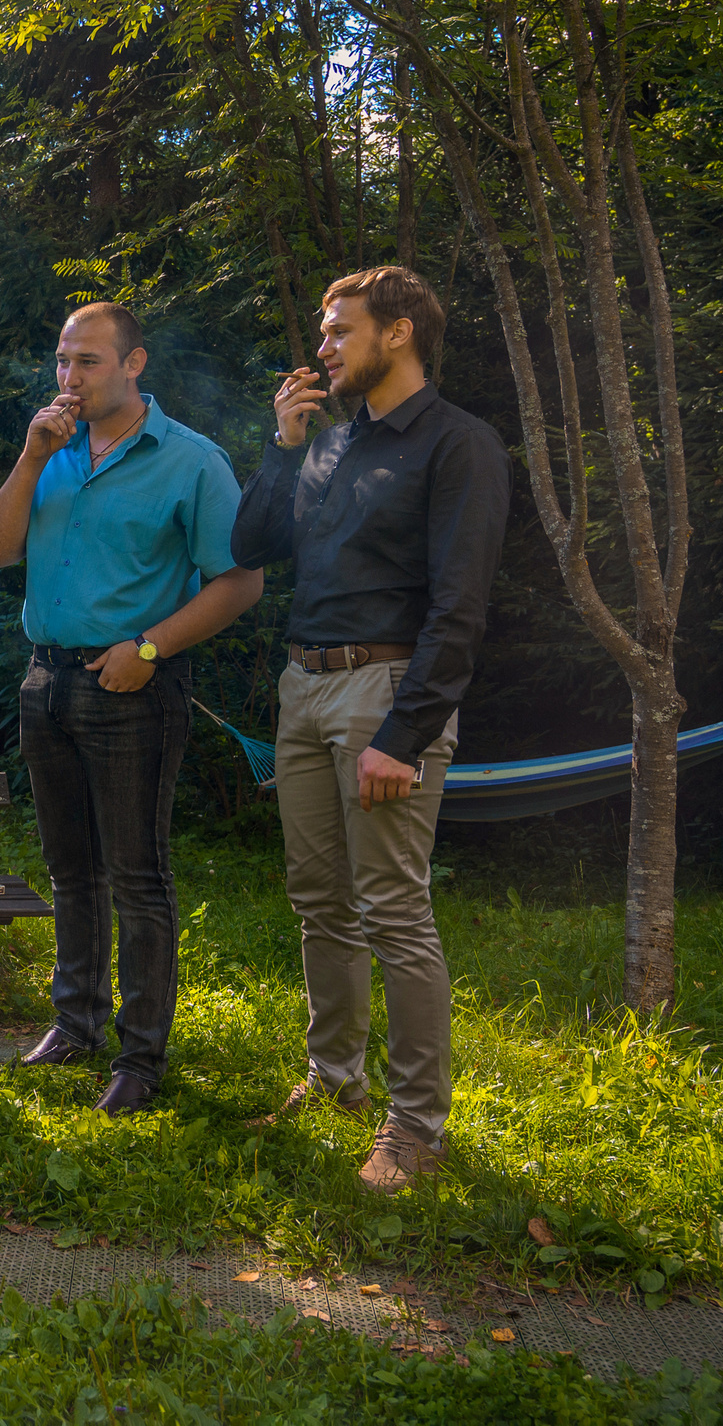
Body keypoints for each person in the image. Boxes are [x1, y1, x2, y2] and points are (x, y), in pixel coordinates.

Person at [230, 265, 510, 1194]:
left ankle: (416, 1126)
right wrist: (284, 439)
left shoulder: (456, 444)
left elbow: (461, 605)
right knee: (319, 902)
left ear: (397, 333)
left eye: (340, 329)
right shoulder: (327, 445)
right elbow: (250, 546)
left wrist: (406, 730)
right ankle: (336, 1083)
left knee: (394, 910)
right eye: (323, 331)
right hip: (303, 689)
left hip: (385, 693)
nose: (324, 346)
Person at [0, 302, 263, 1114]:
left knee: (137, 877)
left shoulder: (191, 461)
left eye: (88, 362)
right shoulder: (50, 450)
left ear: (135, 365)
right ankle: (75, 1026)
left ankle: (140, 1059)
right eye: (62, 361)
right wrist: (32, 458)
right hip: (46, 682)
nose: (69, 378)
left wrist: (150, 650)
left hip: (132, 684)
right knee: (73, 874)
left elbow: (241, 580)